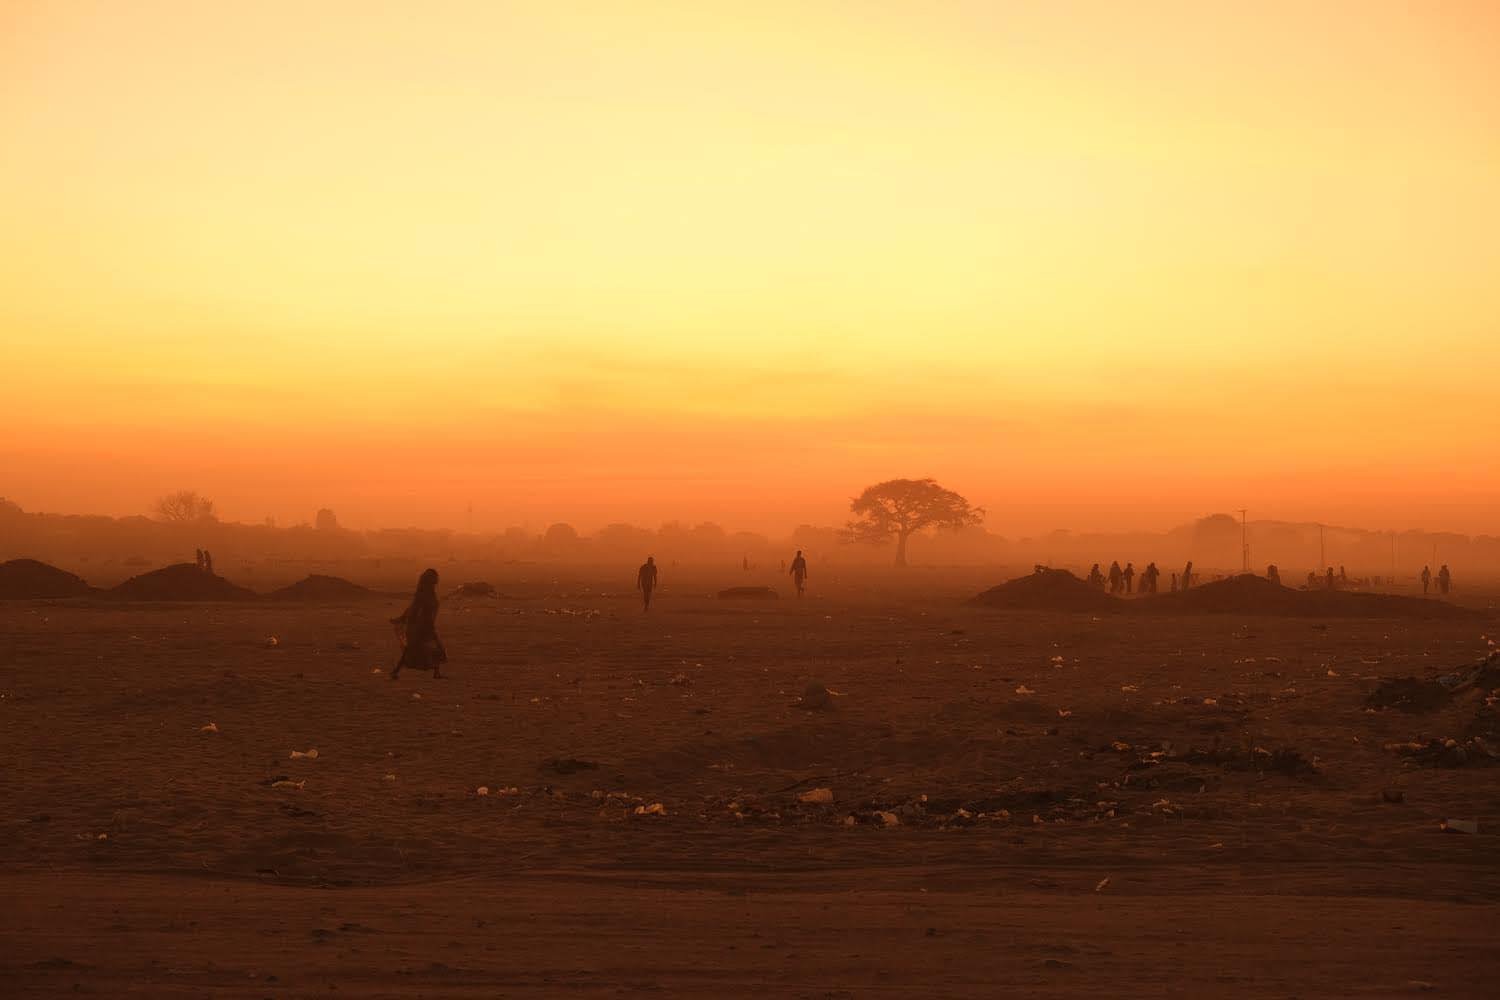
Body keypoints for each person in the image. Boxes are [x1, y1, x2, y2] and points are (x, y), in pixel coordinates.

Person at [390, 568, 446, 680]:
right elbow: (413, 608)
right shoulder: (423, 594)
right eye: (435, 577)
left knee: (431, 648)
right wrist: (402, 618)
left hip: (426, 626)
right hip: (421, 627)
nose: (437, 579)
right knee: (419, 649)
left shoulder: (430, 592)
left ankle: (436, 672)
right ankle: (395, 671)